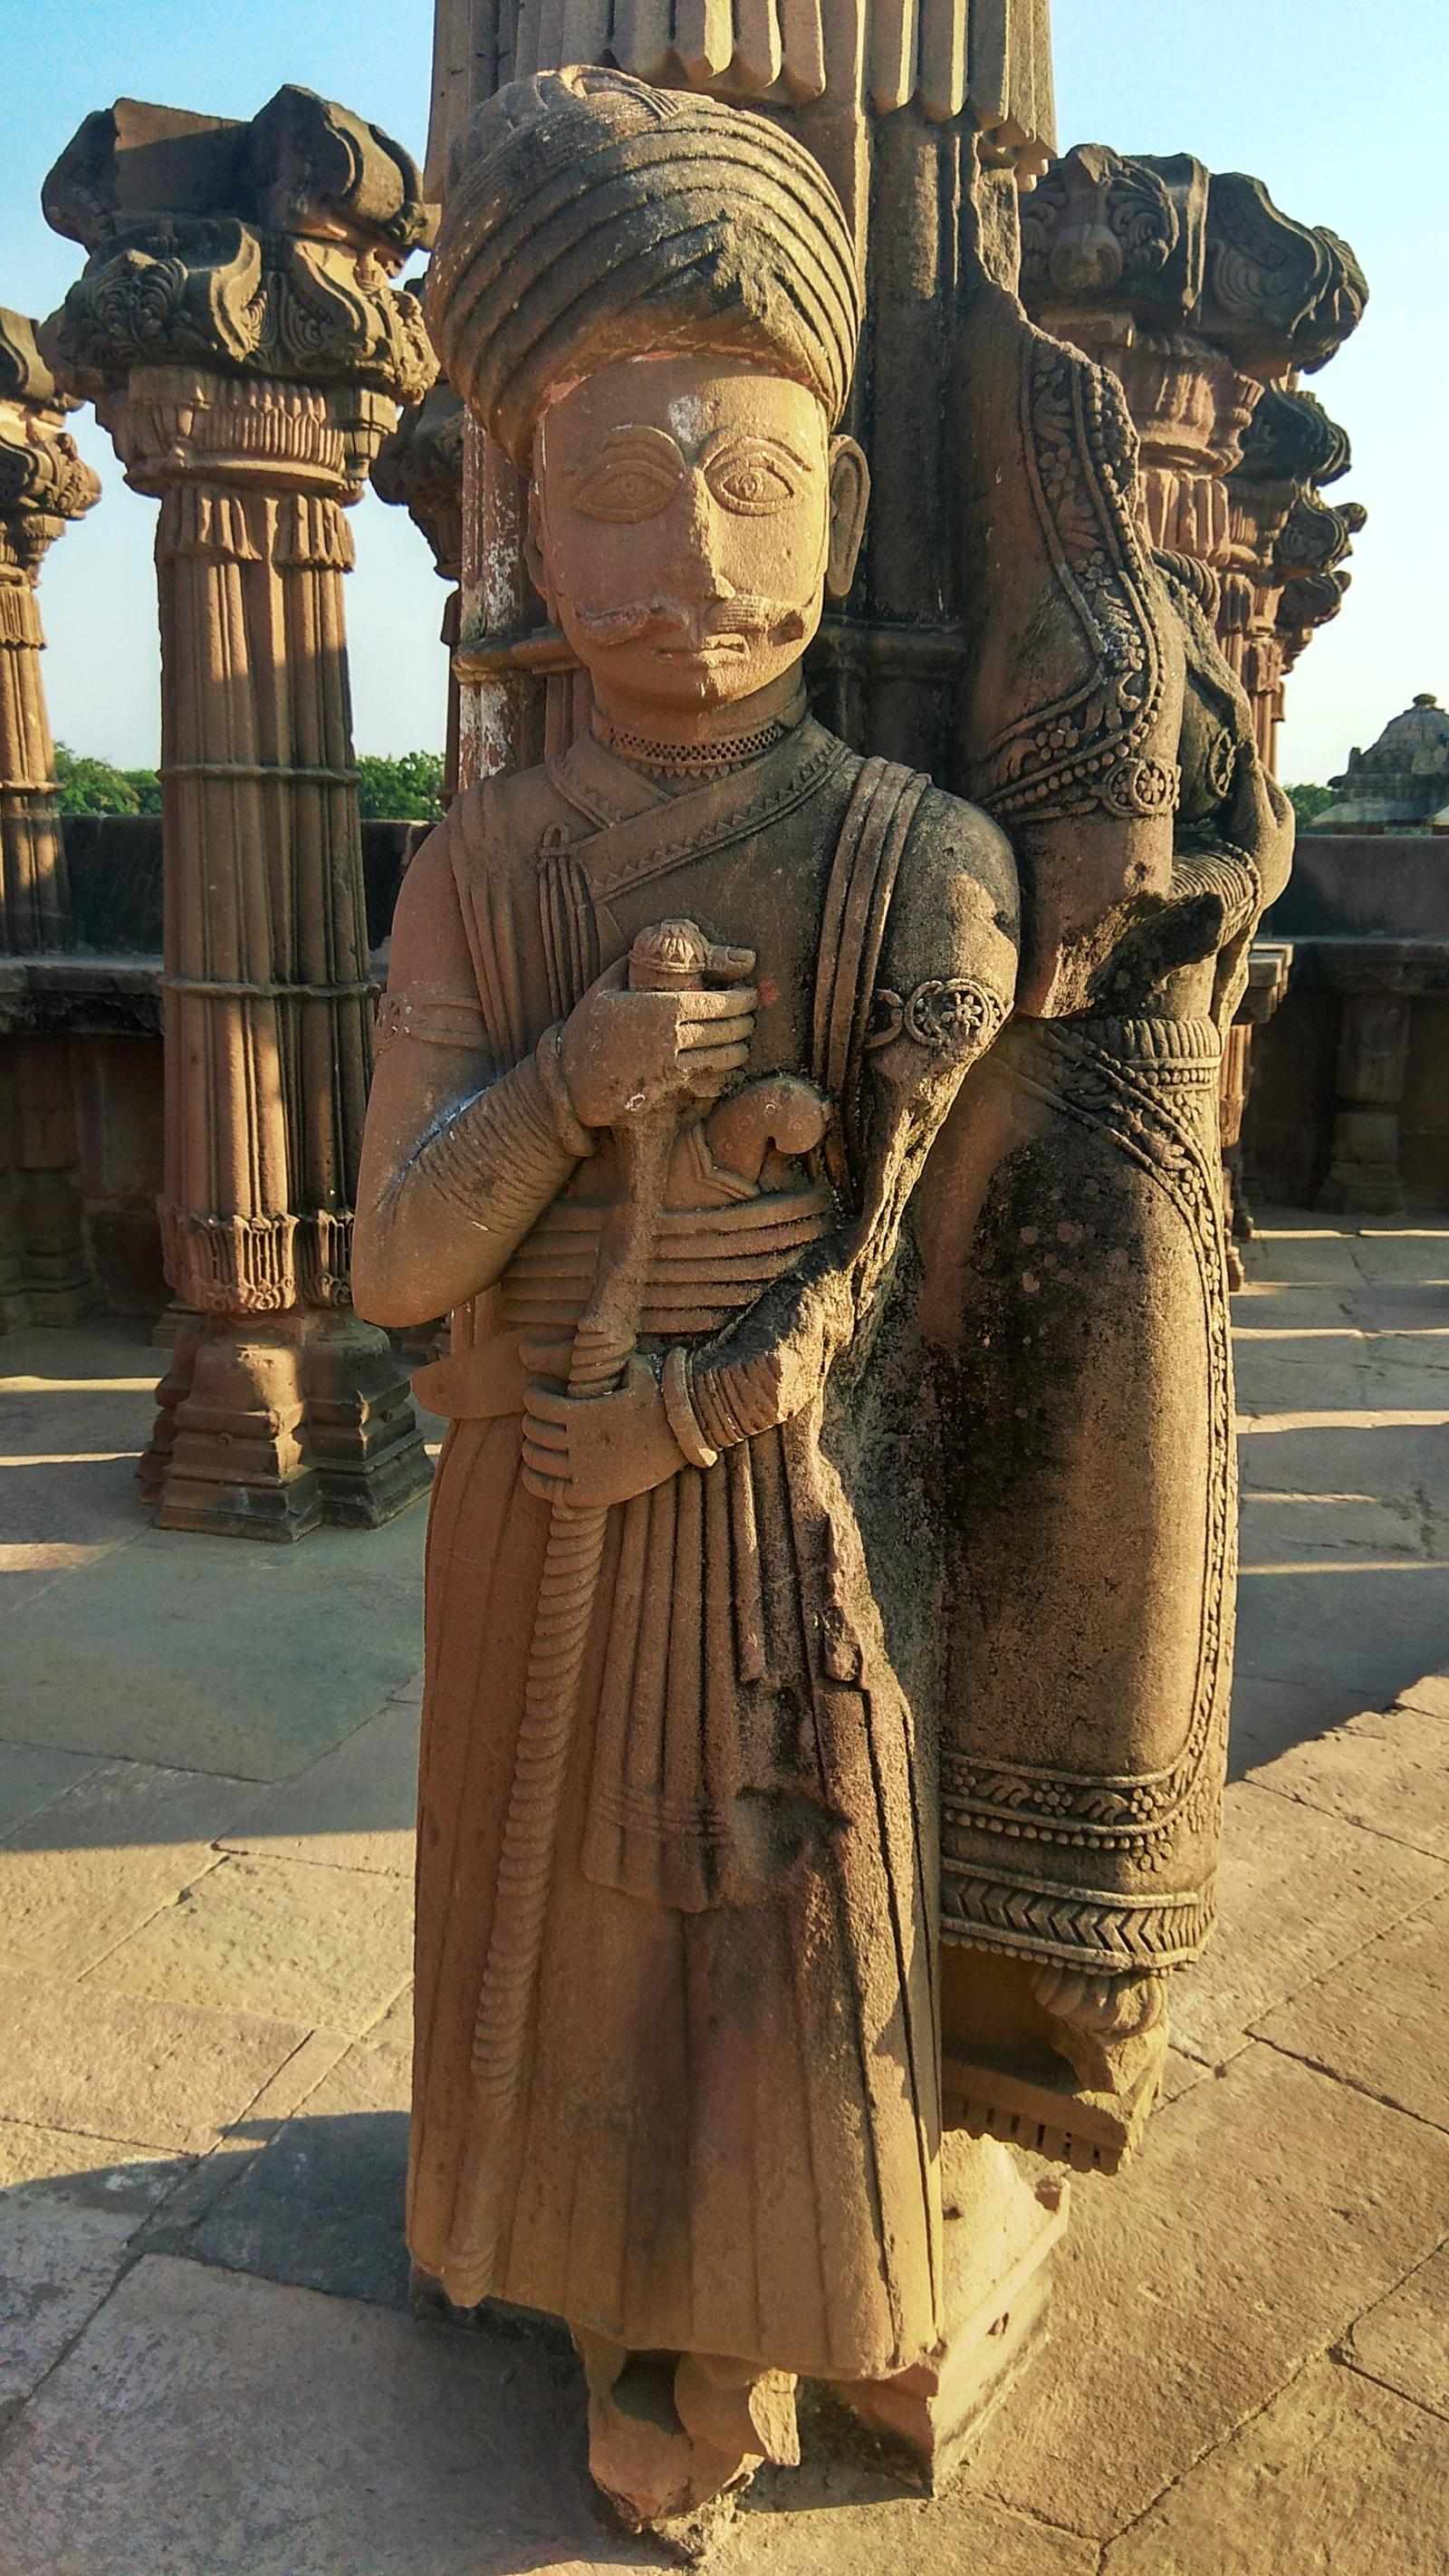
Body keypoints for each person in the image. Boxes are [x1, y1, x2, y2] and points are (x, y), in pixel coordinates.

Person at [353, 64, 1020, 2528]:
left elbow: (889, 1272)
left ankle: (754, 2301)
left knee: (764, 1913)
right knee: (562, 1916)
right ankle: (576, 2262)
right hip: (535, 1487)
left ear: (840, 496)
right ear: (519, 507)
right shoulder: (484, 867)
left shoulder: (914, 864)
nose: (689, 554)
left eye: (748, 479)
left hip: (769, 1506)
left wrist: (696, 1409)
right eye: (617, 484)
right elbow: (398, 1255)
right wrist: (570, 1083)